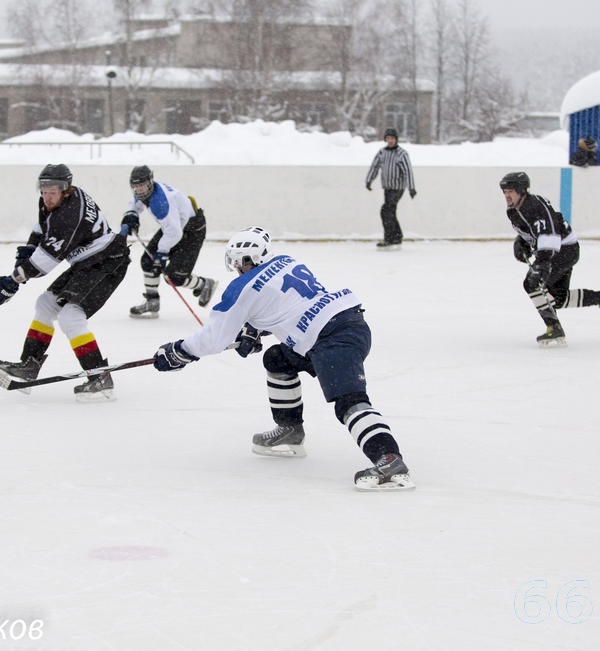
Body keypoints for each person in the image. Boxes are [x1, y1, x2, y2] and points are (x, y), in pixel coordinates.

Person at [150, 227, 414, 491]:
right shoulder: (287, 261)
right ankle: (290, 431)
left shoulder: (241, 287)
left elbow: (214, 338)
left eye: (238, 262)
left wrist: (178, 351)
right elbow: (288, 305)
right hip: (346, 323)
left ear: (243, 261)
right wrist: (254, 329)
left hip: (332, 340)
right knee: (277, 359)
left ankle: (389, 459)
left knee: (349, 402)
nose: (237, 268)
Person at [0, 164, 131, 401]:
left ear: (66, 190)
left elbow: (45, 263)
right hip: (87, 262)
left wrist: (13, 280)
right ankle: (29, 365)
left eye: (53, 191)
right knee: (45, 304)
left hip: (107, 262)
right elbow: (41, 227)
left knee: (70, 317)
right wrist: (27, 251)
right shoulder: (57, 200)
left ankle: (100, 377)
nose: (47, 196)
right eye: (43, 191)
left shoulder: (69, 215)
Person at [499, 172, 600, 347]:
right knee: (558, 299)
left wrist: (543, 260)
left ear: (522, 190)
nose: (507, 195)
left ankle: (553, 327)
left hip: (563, 250)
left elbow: (549, 230)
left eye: (511, 191)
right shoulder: (514, 210)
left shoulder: (535, 206)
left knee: (531, 283)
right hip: (562, 250)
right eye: (505, 191)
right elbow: (532, 229)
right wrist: (522, 241)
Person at [119, 165, 218, 319]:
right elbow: (136, 202)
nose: (139, 190)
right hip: (176, 225)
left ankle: (204, 284)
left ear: (150, 182)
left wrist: (162, 252)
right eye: (136, 186)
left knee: (175, 277)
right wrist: (131, 214)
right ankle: (152, 301)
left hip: (192, 230)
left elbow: (175, 232)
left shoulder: (160, 203)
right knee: (148, 261)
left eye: (142, 185)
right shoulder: (147, 192)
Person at [364, 127, 416, 250]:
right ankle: (396, 236)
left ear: (396, 139)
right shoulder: (382, 152)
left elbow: (408, 171)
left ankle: (389, 238)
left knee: (386, 210)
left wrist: (411, 188)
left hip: (398, 188)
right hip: (387, 187)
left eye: (392, 138)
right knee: (390, 211)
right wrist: (369, 180)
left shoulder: (402, 154)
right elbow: (375, 166)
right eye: (388, 138)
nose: (390, 141)